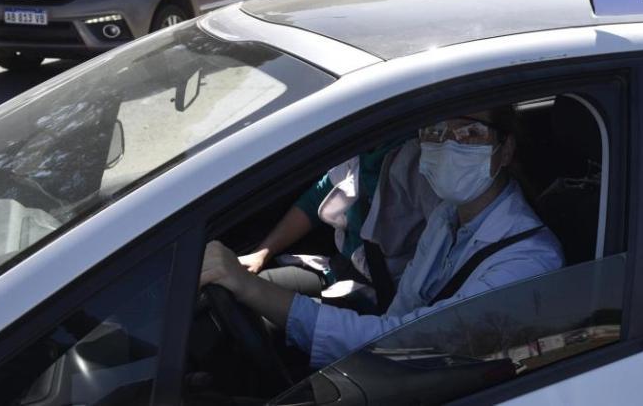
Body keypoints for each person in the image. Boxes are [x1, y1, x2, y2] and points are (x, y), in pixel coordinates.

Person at [200, 107, 564, 368]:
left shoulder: (526, 262)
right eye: (435, 132)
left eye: (469, 133)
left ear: (507, 148)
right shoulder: (448, 218)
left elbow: (400, 343)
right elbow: (402, 312)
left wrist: (252, 289)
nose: (447, 144)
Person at [238, 138, 438, 309]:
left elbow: (440, 245)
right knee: (248, 292)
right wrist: (262, 253)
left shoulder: (419, 163)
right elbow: (315, 199)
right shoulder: (362, 151)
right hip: (340, 274)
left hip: (385, 303)